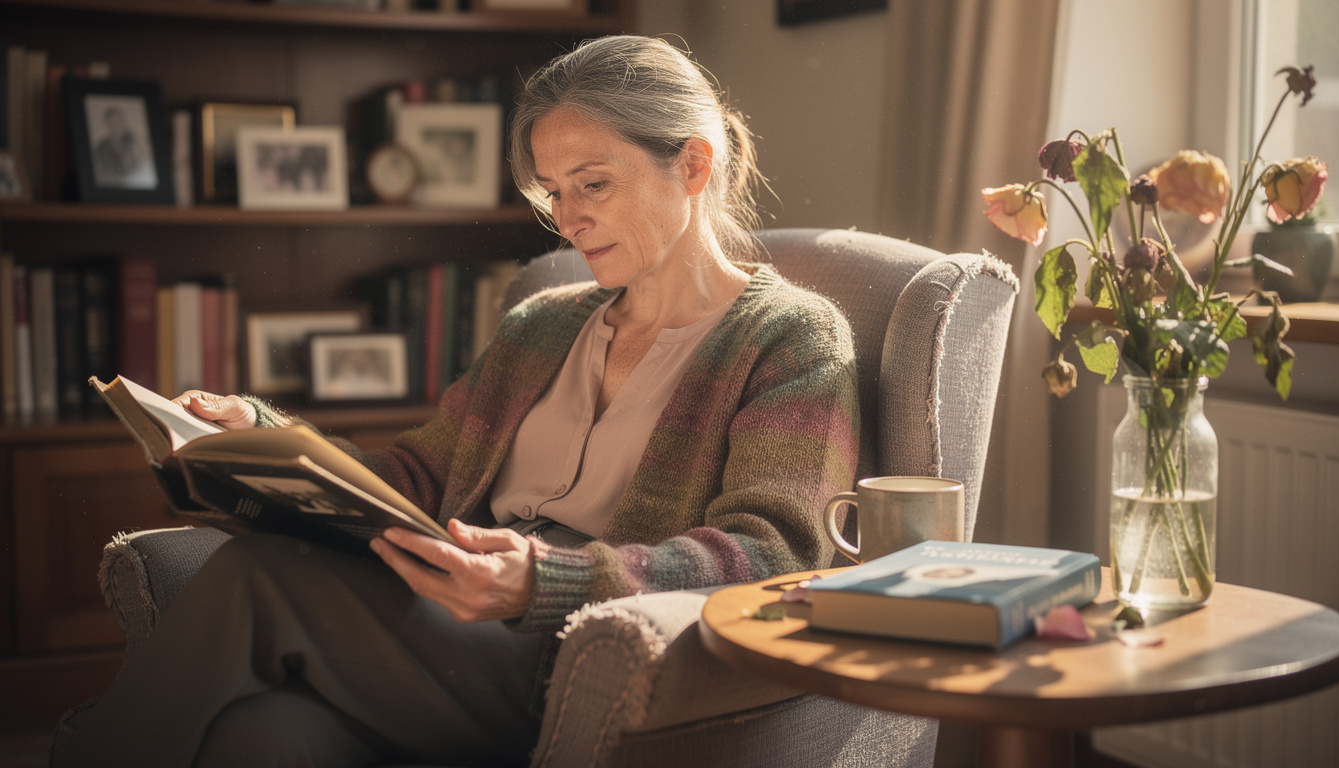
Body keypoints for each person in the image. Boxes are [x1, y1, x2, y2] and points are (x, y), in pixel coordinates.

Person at [52, 35, 859, 768]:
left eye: (594, 184)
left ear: (692, 164)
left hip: (580, 650)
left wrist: (548, 580)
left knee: (261, 575)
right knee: (259, 738)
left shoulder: (789, 338)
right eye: (551, 193)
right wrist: (256, 441)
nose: (568, 220)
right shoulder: (543, 326)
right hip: (445, 627)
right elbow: (415, 475)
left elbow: (779, 556)